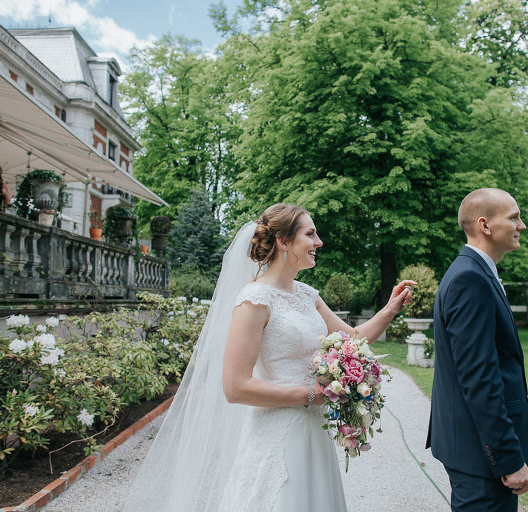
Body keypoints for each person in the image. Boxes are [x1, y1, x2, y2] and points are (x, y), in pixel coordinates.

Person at [124, 203, 415, 512]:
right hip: (279, 432)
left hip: (314, 434)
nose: (319, 242)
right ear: (283, 242)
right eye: (310, 234)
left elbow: (352, 339)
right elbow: (235, 387)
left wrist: (391, 308)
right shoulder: (254, 300)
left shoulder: (307, 295)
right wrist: (309, 395)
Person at [426, 188, 528, 512]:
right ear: (485, 225)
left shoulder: (476, 272)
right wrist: (508, 458)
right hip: (481, 456)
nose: (522, 225)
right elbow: (479, 378)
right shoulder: (470, 279)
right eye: (514, 217)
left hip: (473, 449)